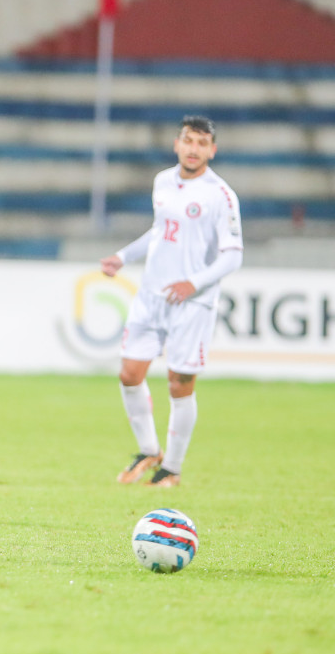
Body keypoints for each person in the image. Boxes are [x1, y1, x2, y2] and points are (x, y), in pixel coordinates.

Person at [101, 114, 243, 487]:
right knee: (130, 374)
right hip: (151, 295)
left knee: (180, 383)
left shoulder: (221, 196)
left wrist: (192, 284)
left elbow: (233, 255)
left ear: (212, 150)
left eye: (201, 143)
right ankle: (149, 450)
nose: (193, 149)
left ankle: (173, 469)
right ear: (176, 144)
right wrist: (123, 256)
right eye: (188, 141)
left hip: (192, 303)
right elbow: (159, 231)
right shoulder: (163, 181)